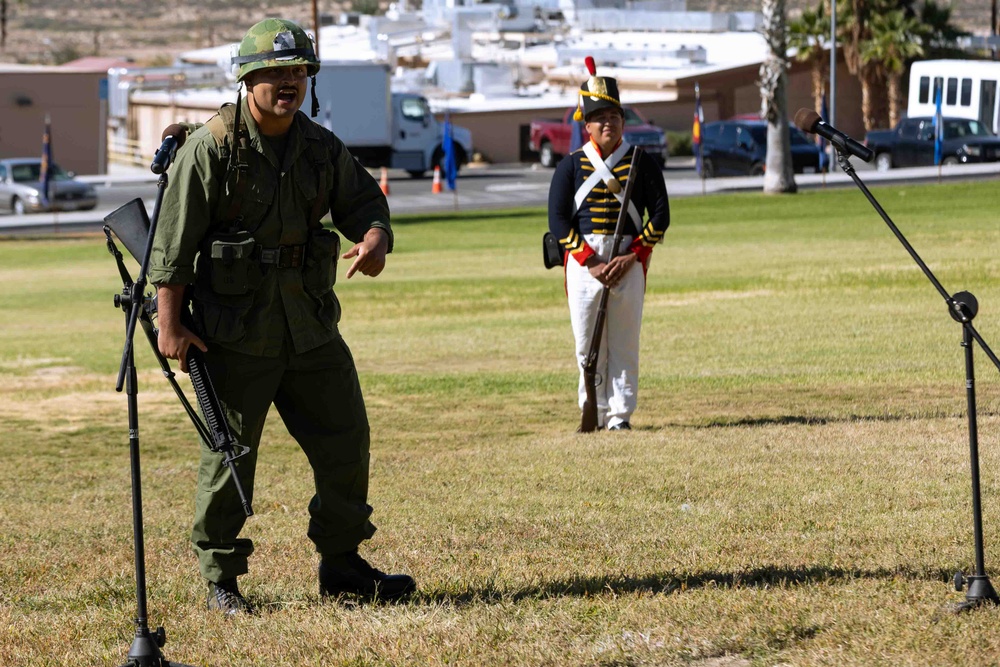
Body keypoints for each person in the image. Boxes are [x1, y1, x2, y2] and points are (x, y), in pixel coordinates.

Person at [147, 17, 415, 614]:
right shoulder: (211, 148)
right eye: (274, 72)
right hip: (235, 335)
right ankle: (221, 577)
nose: (287, 82)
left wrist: (375, 236)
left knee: (347, 440)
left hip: (311, 327)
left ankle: (342, 564)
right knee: (230, 452)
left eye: (297, 71)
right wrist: (169, 323)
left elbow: (365, 201)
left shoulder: (319, 147)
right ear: (248, 80)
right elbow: (172, 244)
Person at [547, 58, 670, 431]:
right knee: (588, 345)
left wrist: (633, 256)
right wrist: (592, 262)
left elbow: (660, 218)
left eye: (614, 116)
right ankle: (593, 410)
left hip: (629, 261)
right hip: (585, 265)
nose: (608, 123)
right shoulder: (570, 166)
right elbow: (558, 223)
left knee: (624, 342)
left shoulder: (641, 163)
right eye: (599, 117)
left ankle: (620, 415)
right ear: (587, 126)